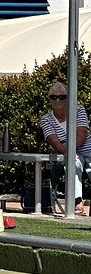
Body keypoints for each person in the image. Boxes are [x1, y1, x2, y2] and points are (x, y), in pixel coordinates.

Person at [40, 80, 90, 216]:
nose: (57, 100)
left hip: (86, 149)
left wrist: (71, 149)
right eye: (53, 97)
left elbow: (82, 135)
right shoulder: (46, 119)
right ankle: (77, 203)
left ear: (68, 98)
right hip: (66, 153)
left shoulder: (78, 110)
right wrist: (69, 152)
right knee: (72, 164)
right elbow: (54, 142)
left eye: (61, 97)